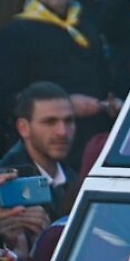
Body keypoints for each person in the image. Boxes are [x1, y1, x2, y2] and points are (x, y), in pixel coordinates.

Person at [0, 0, 118, 167]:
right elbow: (8, 97)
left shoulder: (87, 27)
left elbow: (104, 80)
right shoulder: (15, 33)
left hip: (91, 141)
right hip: (42, 148)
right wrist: (66, 105)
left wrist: (109, 104)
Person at [0, 82, 78, 220]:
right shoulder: (4, 183)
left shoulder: (78, 181)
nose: (63, 132)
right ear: (23, 128)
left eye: (69, 121)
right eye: (50, 122)